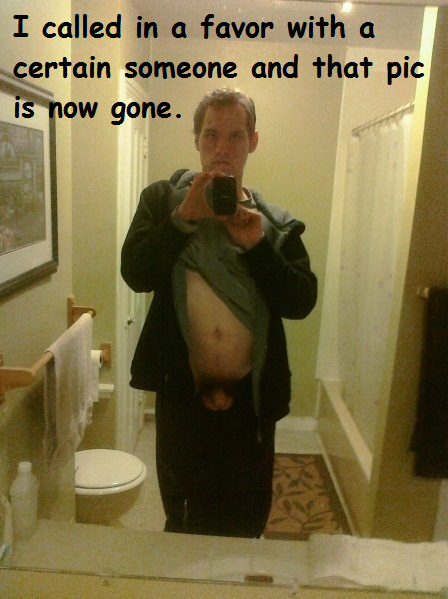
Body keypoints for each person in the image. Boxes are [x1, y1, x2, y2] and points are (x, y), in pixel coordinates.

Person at [121, 88, 317, 538]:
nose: (222, 148)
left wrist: (257, 247)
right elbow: (136, 273)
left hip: (250, 404)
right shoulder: (161, 201)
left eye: (235, 136)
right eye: (211, 135)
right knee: (183, 517)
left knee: (247, 516)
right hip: (182, 398)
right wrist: (182, 219)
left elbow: (301, 301)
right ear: (196, 139)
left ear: (253, 142)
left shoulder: (275, 224)